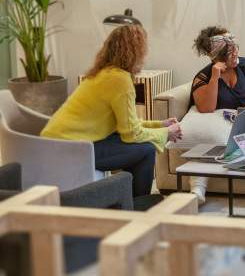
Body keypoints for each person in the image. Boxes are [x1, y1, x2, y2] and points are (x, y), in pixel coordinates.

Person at [41, 25, 182, 197]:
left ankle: (127, 199)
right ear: (136, 51)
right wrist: (166, 132)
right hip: (71, 149)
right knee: (146, 150)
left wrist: (160, 125)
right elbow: (132, 134)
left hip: (55, 144)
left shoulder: (103, 73)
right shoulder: (120, 80)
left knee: (132, 143)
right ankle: (138, 204)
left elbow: (124, 126)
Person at [188, 26, 245, 203]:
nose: (236, 54)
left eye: (235, 49)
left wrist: (243, 114)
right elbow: (206, 108)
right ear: (216, 56)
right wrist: (214, 78)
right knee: (211, 139)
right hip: (222, 127)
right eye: (230, 53)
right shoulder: (203, 77)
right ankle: (197, 189)